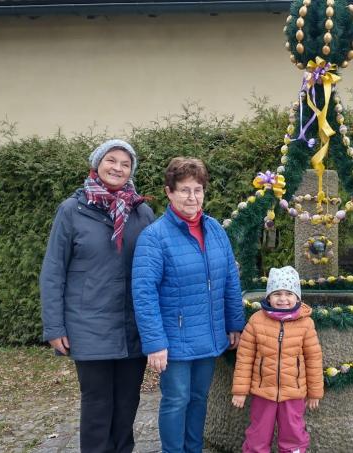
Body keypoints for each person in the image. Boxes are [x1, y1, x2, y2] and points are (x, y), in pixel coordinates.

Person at [40, 139, 154, 453]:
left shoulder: (142, 212)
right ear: (97, 164)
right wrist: (54, 327)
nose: (118, 167)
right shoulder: (72, 210)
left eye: (125, 163)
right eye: (111, 160)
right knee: (97, 406)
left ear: (132, 171)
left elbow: (157, 268)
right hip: (89, 327)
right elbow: (53, 271)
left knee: (128, 404)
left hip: (133, 327)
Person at [132, 157, 245, 453]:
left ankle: (193, 449)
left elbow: (230, 279)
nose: (192, 197)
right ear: (169, 192)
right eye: (184, 190)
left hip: (208, 334)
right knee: (176, 399)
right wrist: (155, 343)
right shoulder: (154, 237)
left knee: (198, 398)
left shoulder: (216, 230)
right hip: (175, 339)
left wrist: (234, 323)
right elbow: (144, 293)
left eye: (198, 189)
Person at [231, 266, 324, 453]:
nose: (282, 299)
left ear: (297, 297)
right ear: (268, 298)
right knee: (258, 432)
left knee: (294, 432)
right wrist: (240, 391)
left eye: (288, 293)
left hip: (294, 392)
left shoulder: (305, 323)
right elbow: (244, 358)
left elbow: (313, 359)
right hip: (263, 392)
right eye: (277, 294)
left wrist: (315, 392)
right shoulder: (256, 321)